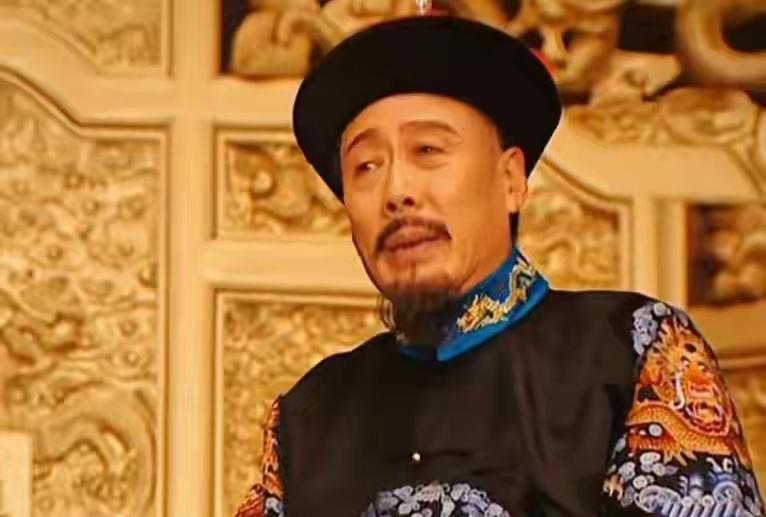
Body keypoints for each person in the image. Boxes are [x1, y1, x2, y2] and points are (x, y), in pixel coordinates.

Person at [234, 14, 764, 517]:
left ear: (511, 180)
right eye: (366, 166)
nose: (397, 190)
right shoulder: (307, 418)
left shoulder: (635, 350)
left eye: (428, 150)